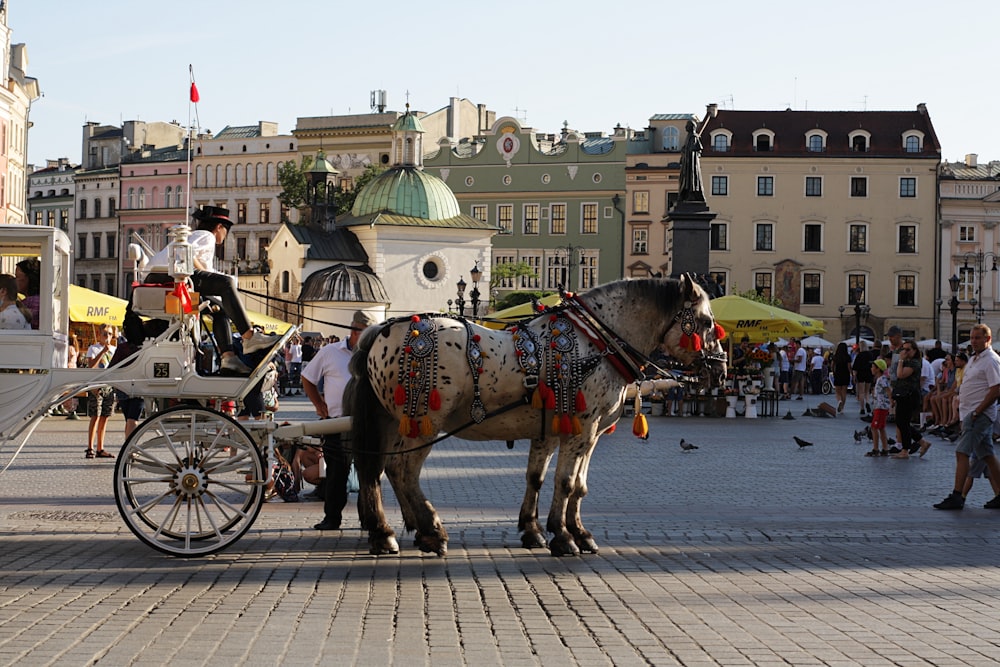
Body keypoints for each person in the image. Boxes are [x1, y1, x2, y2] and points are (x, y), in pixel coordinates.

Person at [143, 206, 274, 374]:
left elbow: (202, 268)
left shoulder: (193, 236)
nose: (225, 235)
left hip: (162, 277)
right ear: (219, 227)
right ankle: (249, 337)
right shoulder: (206, 236)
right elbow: (191, 257)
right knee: (226, 283)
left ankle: (228, 357)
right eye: (226, 230)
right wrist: (228, 284)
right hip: (168, 276)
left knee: (220, 309)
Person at [302, 310, 375, 531]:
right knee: (335, 472)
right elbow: (307, 377)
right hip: (335, 422)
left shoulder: (375, 353)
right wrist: (318, 404)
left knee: (368, 474)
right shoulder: (330, 352)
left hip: (367, 423)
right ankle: (332, 518)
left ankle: (369, 518)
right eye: (366, 334)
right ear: (354, 331)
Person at [934, 324, 1000, 510]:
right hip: (970, 413)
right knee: (987, 454)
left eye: (978, 338)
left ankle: (957, 496)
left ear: (988, 339)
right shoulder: (973, 359)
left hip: (979, 415)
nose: (974, 341)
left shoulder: (991, 360)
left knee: (961, 452)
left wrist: (978, 411)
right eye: (972, 337)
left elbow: (996, 390)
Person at [890, 341, 934, 459]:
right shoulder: (907, 361)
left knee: (902, 422)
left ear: (915, 350)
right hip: (902, 394)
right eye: (903, 349)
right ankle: (922, 442)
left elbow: (900, 374)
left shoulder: (914, 363)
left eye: (908, 349)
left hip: (910, 395)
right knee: (901, 422)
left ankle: (905, 450)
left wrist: (900, 360)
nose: (905, 352)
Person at [85, 326, 118, 459]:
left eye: (110, 334)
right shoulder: (93, 348)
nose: (107, 336)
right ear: (99, 334)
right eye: (105, 334)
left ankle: (100, 447)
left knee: (105, 417)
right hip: (96, 387)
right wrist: (103, 351)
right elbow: (91, 365)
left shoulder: (115, 350)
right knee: (95, 416)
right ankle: (89, 447)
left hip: (109, 387)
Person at [866, 358, 891, 457]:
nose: (871, 368)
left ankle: (876, 449)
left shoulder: (882, 379)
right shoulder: (880, 379)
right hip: (880, 406)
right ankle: (885, 449)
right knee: (881, 428)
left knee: (874, 427)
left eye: (873, 367)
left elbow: (888, 390)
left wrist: (891, 400)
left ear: (878, 369)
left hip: (881, 407)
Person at [14, 258, 40, 329]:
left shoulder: (29, 303)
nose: (14, 281)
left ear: (28, 278)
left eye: (17, 277)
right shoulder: (42, 300)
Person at [852, 340, 874, 416]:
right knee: (867, 391)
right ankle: (867, 402)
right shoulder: (870, 354)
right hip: (869, 373)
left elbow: (855, 367)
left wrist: (854, 376)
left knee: (861, 392)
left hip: (861, 374)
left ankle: (862, 409)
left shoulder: (859, 355)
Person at [831, 342, 852, 412]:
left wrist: (833, 372)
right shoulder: (848, 357)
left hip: (838, 374)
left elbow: (832, 365)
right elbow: (849, 367)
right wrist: (851, 374)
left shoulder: (835, 356)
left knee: (837, 391)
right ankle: (842, 407)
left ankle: (839, 401)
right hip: (845, 374)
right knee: (844, 391)